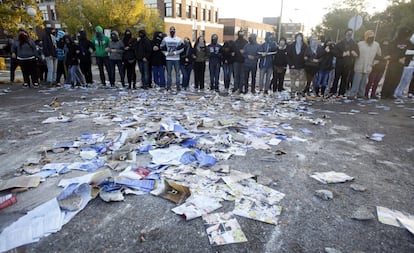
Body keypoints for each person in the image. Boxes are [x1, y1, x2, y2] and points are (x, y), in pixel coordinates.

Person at [347, 30, 381, 99]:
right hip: (359, 65)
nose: (371, 38)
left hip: (368, 66)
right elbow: (354, 51)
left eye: (372, 36)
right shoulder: (360, 44)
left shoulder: (376, 45)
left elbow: (379, 55)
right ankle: (353, 94)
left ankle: (361, 94)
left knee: (364, 81)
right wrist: (354, 53)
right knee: (356, 81)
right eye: (369, 36)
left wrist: (375, 62)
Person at [381, 27, 412, 99]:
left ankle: (391, 93)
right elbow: (390, 53)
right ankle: (384, 94)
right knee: (389, 78)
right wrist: (398, 59)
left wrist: (405, 59)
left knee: (396, 79)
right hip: (393, 63)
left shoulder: (408, 43)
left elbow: (410, 52)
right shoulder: (394, 42)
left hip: (401, 64)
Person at [330, 29, 359, 96]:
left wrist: (353, 53)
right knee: (336, 78)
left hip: (348, 64)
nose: (349, 35)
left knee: (345, 79)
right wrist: (342, 54)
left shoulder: (354, 44)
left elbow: (357, 53)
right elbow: (334, 52)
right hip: (339, 63)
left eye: (351, 33)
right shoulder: (340, 43)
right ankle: (333, 90)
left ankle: (342, 92)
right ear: (345, 34)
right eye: (348, 33)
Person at [161, 26, 184, 91]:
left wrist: (175, 53)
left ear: (175, 31)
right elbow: (162, 47)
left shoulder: (179, 39)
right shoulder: (165, 39)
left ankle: (178, 86)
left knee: (177, 73)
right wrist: (166, 53)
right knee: (168, 74)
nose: (172, 31)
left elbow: (182, 48)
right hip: (168, 58)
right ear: (169, 31)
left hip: (176, 58)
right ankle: (168, 86)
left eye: (173, 30)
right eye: (171, 30)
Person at [287, 32, 307, 97]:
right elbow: (288, 56)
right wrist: (291, 64)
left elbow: (307, 55)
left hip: (302, 67)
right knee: (293, 80)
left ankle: (300, 91)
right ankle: (293, 91)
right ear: (296, 38)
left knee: (302, 81)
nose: (299, 38)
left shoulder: (305, 46)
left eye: (300, 37)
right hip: (293, 67)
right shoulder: (291, 46)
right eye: (297, 37)